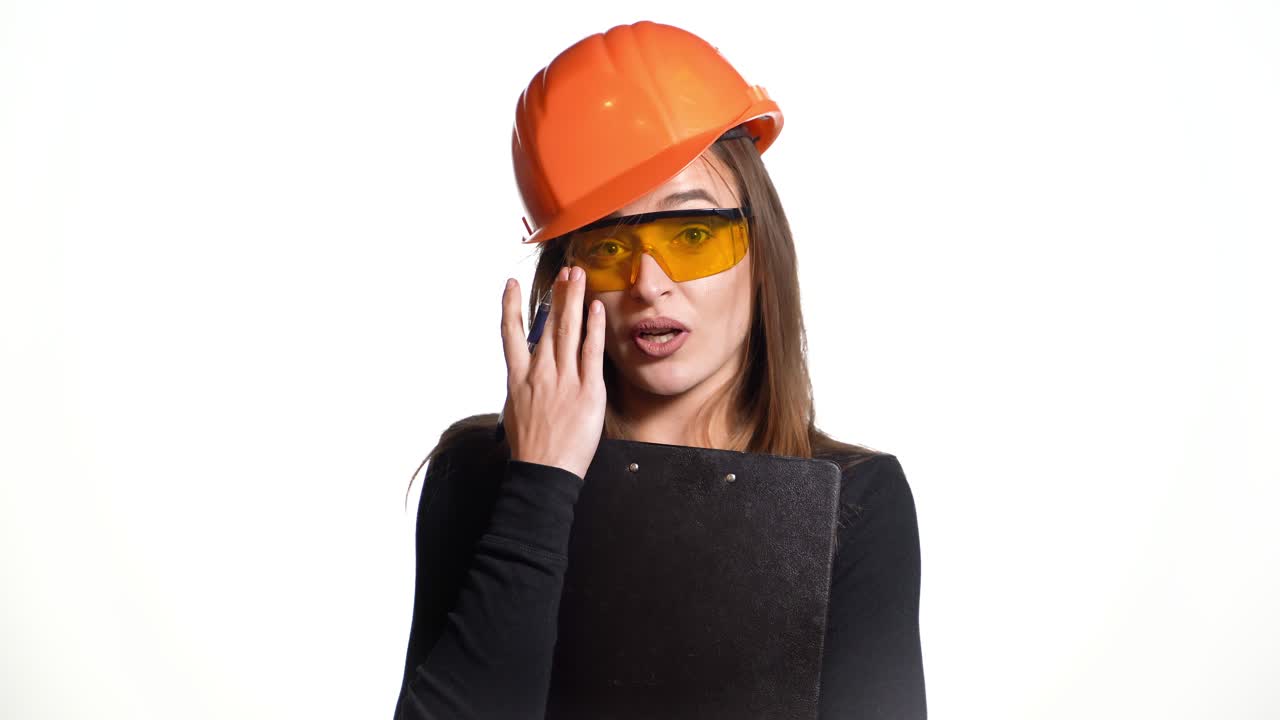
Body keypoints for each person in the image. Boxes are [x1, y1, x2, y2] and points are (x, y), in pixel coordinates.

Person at [394, 20, 926, 719]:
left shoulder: (854, 499)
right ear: (568, 280)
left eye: (693, 234)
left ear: (762, 252)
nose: (649, 284)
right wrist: (541, 482)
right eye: (609, 245)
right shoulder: (479, 475)